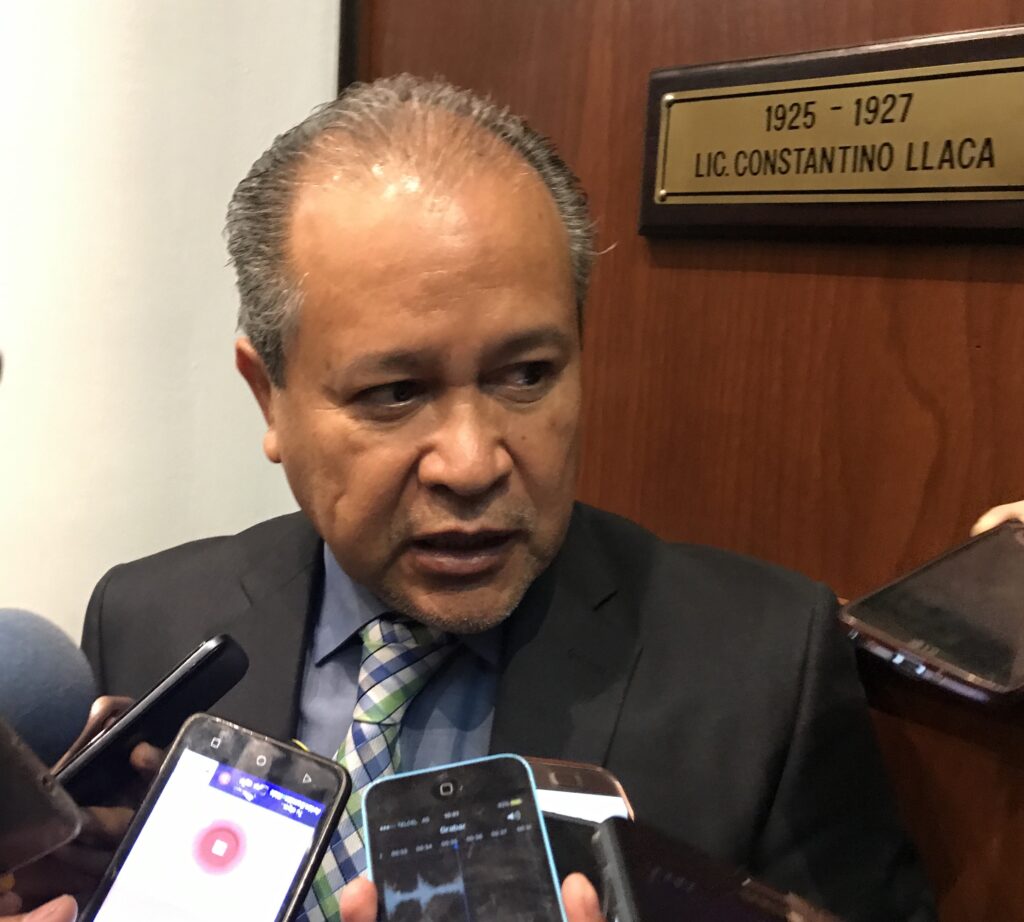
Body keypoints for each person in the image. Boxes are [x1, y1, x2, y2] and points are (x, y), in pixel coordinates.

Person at [79, 75, 933, 921]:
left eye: (526, 376)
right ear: (269, 398)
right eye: (395, 393)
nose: (471, 463)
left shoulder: (764, 667)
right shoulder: (146, 619)